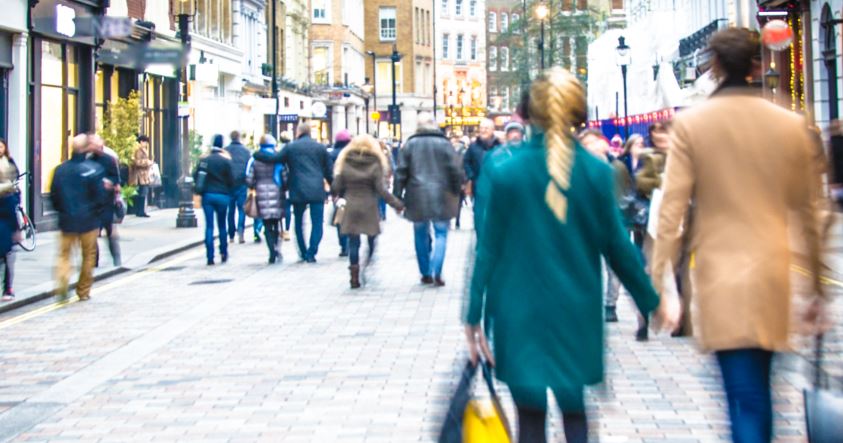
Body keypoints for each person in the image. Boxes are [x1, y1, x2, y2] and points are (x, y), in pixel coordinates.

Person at [465, 68, 677, 443]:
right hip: (575, 311)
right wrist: (650, 299)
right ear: (579, 116)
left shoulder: (504, 171)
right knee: (575, 413)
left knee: (530, 419)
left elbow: (488, 250)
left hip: (517, 312)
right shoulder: (595, 172)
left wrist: (474, 317)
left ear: (526, 115)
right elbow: (617, 247)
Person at [652, 28, 826, 443]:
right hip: (772, 273)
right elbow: (808, 212)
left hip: (719, 274)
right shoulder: (789, 124)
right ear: (757, 64)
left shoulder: (693, 125)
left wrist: (663, 282)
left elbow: (671, 212)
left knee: (742, 392)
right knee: (759, 389)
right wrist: (817, 287)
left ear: (714, 66)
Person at [579, 129, 652, 336]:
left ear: (603, 144)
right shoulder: (574, 169)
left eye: (595, 142)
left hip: (614, 226)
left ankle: (624, 308)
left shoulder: (617, 167)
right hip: (587, 229)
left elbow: (626, 194)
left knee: (618, 269)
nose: (592, 147)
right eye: (586, 144)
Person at [393, 114, 463, 287]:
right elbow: (455, 170)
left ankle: (425, 272)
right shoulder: (445, 144)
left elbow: (401, 172)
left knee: (420, 235)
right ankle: (437, 269)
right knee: (441, 234)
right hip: (442, 193)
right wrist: (456, 190)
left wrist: (397, 196)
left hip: (416, 195)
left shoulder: (410, 145)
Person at [332, 135, 404, 288]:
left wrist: (337, 192)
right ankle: (366, 263)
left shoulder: (345, 161)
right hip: (369, 205)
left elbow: (336, 186)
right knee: (372, 238)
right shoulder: (375, 162)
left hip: (350, 205)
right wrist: (396, 203)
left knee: (353, 242)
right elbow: (381, 189)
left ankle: (354, 274)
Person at [50, 134, 107, 301]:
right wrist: (98, 213)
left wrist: (61, 211)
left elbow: (54, 195)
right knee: (88, 256)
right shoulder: (94, 169)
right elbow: (100, 196)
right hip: (89, 221)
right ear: (85, 148)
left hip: (66, 220)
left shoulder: (60, 170)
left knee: (64, 255)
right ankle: (83, 291)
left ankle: (62, 283)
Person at [279, 123, 333, 263]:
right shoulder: (320, 148)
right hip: (316, 190)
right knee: (317, 223)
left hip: (297, 189)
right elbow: (329, 172)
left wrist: (259, 154)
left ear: (298, 132)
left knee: (298, 223)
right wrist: (334, 189)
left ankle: (302, 252)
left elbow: (276, 160)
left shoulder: (291, 147)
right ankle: (311, 252)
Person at [193, 134, 235, 265]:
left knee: (209, 226)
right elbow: (232, 180)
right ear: (222, 145)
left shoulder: (205, 160)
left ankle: (210, 256)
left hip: (208, 196)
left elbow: (196, 177)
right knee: (222, 225)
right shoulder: (226, 161)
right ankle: (223, 252)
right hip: (222, 196)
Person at [245, 134, 285, 264]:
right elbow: (284, 176)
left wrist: (254, 185)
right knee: (277, 224)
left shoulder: (255, 159)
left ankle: (271, 252)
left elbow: (249, 179)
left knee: (267, 225)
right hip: (277, 192)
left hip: (262, 193)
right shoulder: (278, 158)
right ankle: (277, 248)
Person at [87, 134, 122, 267]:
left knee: (111, 233)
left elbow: (117, 179)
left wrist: (111, 183)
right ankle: (94, 261)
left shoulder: (109, 159)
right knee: (92, 234)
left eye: (93, 143)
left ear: (100, 144)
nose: (91, 146)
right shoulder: (88, 160)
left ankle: (116, 258)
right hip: (93, 203)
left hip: (107, 203)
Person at [463, 119, 502, 200]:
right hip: (478, 187)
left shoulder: (499, 147)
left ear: (492, 130)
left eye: (486, 128)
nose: (483, 130)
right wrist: (471, 176)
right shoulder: (473, 146)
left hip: (496, 187)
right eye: (481, 128)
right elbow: (466, 162)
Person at [0, 138, 19, 301]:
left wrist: (16, 229)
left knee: (7, 256)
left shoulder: (9, 196)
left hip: (5, 223)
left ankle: (8, 288)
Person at [225, 130, 251, 244]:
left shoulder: (225, 150)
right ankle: (241, 232)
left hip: (229, 184)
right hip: (242, 183)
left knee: (230, 210)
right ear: (239, 137)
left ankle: (231, 235)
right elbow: (249, 168)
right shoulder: (246, 151)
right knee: (242, 209)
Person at [329, 129, 352, 257]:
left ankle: (343, 245)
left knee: (340, 217)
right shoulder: (353, 153)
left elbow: (330, 173)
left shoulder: (332, 154)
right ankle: (351, 241)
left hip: (338, 191)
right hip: (353, 190)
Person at [129, 135, 153, 217]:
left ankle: (141, 211)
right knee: (142, 193)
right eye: (145, 142)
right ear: (141, 142)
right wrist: (148, 162)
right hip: (140, 175)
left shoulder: (143, 150)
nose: (146, 144)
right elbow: (137, 162)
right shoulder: (138, 150)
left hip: (143, 175)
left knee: (143, 193)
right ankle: (140, 211)